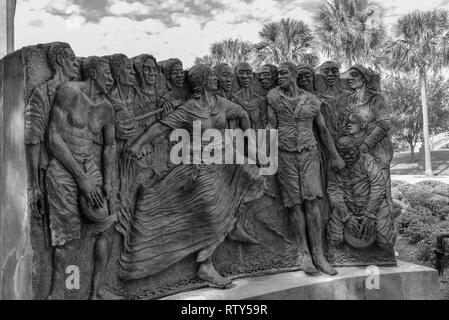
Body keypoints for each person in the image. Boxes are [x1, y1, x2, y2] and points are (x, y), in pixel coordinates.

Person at [121, 64, 265, 287]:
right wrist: (138, 143)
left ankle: (233, 225)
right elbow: (160, 127)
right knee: (209, 209)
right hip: (200, 165)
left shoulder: (221, 103)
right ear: (203, 82)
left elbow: (243, 114)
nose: (216, 79)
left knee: (253, 177)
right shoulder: (188, 108)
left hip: (225, 160)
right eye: (212, 77)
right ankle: (206, 265)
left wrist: (252, 147)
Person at [45, 56, 118, 300]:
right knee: (68, 240)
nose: (111, 78)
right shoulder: (69, 92)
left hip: (90, 168)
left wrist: (108, 183)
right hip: (64, 169)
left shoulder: (107, 108)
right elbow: (53, 138)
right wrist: (81, 179)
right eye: (107, 73)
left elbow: (109, 147)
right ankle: (58, 294)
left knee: (107, 227)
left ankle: (97, 292)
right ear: (94, 73)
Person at [266, 61, 345, 276]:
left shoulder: (312, 101)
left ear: (293, 75)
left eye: (283, 73)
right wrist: (264, 158)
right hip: (285, 155)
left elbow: (323, 130)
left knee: (312, 203)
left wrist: (335, 156)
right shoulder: (273, 97)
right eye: (278, 74)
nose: (279, 77)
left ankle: (319, 254)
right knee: (295, 205)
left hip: (309, 154)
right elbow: (271, 128)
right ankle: (304, 253)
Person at [25, 42, 79, 222]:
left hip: (81, 170)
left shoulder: (79, 94)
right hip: (54, 176)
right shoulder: (41, 95)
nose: (76, 64)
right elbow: (33, 140)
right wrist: (33, 187)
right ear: (59, 60)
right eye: (72, 60)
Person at [327, 136, 395, 249]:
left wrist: (370, 214)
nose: (347, 156)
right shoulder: (334, 165)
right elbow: (333, 191)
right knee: (334, 240)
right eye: (343, 153)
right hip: (346, 208)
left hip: (373, 207)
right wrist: (346, 216)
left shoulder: (367, 161)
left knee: (385, 243)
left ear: (357, 148)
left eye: (350, 152)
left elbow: (378, 186)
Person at [346, 65, 394, 213]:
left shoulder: (377, 98)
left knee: (383, 191)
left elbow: (384, 123)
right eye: (349, 75)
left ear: (364, 78)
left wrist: (367, 143)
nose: (350, 78)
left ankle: (385, 228)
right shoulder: (351, 100)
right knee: (366, 191)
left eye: (354, 75)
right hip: (359, 152)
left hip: (379, 150)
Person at [317, 61, 352, 139]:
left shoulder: (350, 96)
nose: (330, 74)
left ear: (339, 73)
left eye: (334, 71)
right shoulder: (318, 99)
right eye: (326, 72)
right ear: (322, 75)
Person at [232, 62, 266, 130]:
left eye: (248, 72)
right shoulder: (234, 100)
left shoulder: (260, 99)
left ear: (252, 75)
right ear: (236, 76)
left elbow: (265, 123)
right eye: (241, 73)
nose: (245, 76)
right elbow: (233, 126)